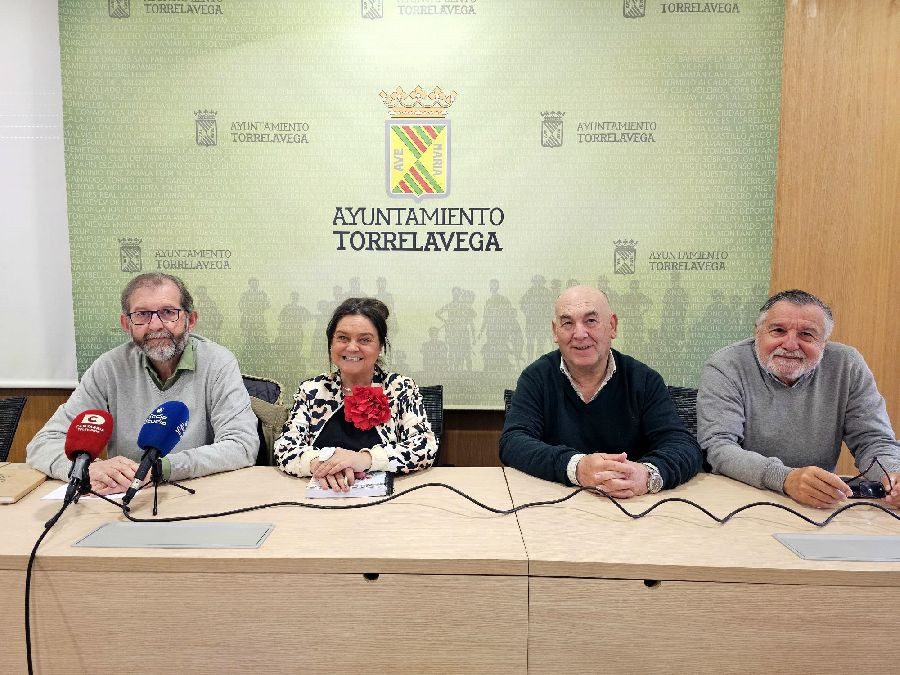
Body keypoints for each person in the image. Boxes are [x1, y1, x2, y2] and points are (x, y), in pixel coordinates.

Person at [27, 273, 259, 494]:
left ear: (191, 320)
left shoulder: (218, 362)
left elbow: (242, 445)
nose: (155, 325)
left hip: (198, 494)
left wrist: (160, 469)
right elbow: (43, 444)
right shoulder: (109, 368)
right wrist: (86, 469)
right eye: (142, 314)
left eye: (168, 312)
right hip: (124, 500)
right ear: (126, 323)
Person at [698, 289, 900, 508]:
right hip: (740, 497)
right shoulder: (726, 365)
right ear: (758, 332)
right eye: (778, 331)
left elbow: (873, 439)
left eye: (807, 334)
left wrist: (892, 474)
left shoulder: (847, 365)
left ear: (824, 341)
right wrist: (784, 478)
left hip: (817, 503)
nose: (790, 345)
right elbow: (718, 447)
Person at [500, 285, 701, 496]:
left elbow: (684, 446)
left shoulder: (644, 380)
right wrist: (576, 468)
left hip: (632, 503)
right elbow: (513, 442)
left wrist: (647, 476)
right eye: (568, 323)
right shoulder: (536, 377)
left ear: (612, 326)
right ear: (555, 331)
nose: (579, 334)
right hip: (556, 502)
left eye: (590, 321)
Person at [274, 297, 437, 491]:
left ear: (380, 346)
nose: (352, 347)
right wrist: (322, 465)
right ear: (331, 343)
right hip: (323, 496)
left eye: (365, 340)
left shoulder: (400, 388)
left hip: (386, 499)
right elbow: (285, 448)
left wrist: (363, 459)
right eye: (342, 338)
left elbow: (424, 447)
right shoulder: (311, 390)